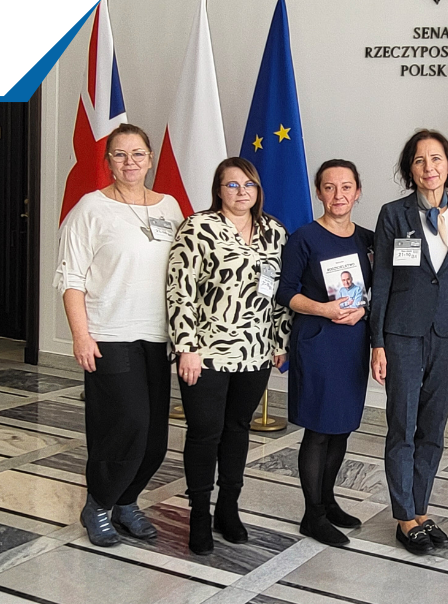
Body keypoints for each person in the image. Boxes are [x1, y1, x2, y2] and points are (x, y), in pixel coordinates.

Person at [55, 124, 184, 547]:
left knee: (155, 437)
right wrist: (81, 336)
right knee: (126, 424)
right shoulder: (90, 209)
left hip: (156, 336)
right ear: (108, 161)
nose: (130, 162)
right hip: (109, 334)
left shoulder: (170, 208)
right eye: (120, 154)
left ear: (150, 159)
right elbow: (71, 278)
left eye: (138, 154)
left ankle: (127, 501)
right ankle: (98, 504)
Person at [167, 157, 291, 555]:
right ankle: (199, 515)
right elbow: (180, 290)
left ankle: (228, 508)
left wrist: (279, 341)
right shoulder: (198, 227)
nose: (241, 192)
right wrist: (186, 346)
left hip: (255, 351)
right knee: (205, 432)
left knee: (237, 428)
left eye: (248, 184)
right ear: (218, 190)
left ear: (258, 190)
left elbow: (280, 294)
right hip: (204, 352)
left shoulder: (274, 232)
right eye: (232, 185)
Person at [369, 129, 448, 555]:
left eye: (436, 159)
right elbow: (382, 281)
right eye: (419, 160)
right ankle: (404, 517)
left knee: (433, 428)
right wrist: (377, 342)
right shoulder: (392, 215)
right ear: (410, 169)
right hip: (402, 334)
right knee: (402, 424)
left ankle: (420, 509)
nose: (428, 167)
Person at [277, 159, 372, 547]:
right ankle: (312, 515)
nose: (338, 195)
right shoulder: (304, 238)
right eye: (329, 187)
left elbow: (380, 289)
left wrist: (365, 309)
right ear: (319, 192)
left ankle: (328, 501)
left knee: (341, 426)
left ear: (358, 192)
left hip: (353, 344)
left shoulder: (368, 239)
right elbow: (285, 292)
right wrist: (323, 308)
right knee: (318, 430)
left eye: (346, 187)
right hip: (317, 341)